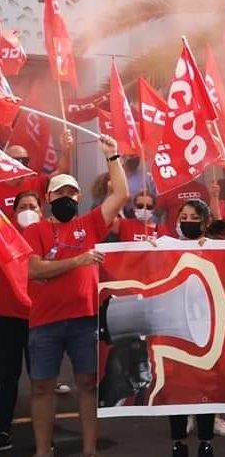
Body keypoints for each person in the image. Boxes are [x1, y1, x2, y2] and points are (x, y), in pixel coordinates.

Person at [24, 135, 128, 457]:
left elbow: (121, 195)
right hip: (45, 322)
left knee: (87, 386)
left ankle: (89, 451)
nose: (66, 197)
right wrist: (78, 261)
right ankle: (43, 451)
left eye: (71, 192)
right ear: (49, 197)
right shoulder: (35, 230)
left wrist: (112, 158)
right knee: (41, 387)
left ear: (79, 196)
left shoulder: (89, 224)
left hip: (84, 320)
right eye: (59, 192)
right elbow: (35, 270)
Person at [166, 198, 225, 457]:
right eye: (183, 217)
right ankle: (178, 442)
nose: (187, 222)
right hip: (175, 327)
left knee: (205, 385)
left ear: (205, 222)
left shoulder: (215, 247)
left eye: (193, 217)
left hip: (207, 327)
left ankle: (205, 441)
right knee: (176, 387)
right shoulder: (167, 246)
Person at [0, 191, 44, 452]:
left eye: (33, 206)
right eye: (23, 206)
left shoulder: (50, 236)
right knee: (6, 376)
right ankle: (3, 428)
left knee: (41, 379)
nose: (28, 210)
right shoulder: (5, 238)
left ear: (42, 210)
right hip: (8, 317)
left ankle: (43, 434)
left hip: (42, 318)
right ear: (13, 212)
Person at [0, 133, 73, 219]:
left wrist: (66, 151)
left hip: (37, 232)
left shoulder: (36, 183)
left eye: (24, 160)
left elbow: (62, 173)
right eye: (15, 161)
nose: (20, 164)